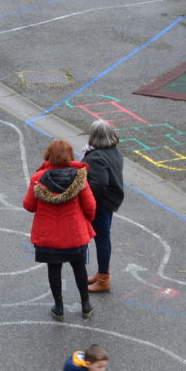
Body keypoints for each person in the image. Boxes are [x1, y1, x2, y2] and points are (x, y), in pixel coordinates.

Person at [24, 139, 96, 321]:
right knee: (79, 266)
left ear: (49, 155)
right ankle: (86, 305)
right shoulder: (79, 178)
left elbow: (29, 206)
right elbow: (90, 206)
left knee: (54, 268)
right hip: (75, 234)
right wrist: (85, 221)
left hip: (49, 236)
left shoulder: (38, 178)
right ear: (70, 155)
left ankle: (59, 307)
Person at [82, 120, 125, 294]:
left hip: (102, 203)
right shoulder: (114, 151)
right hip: (112, 200)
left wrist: (86, 198)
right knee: (103, 238)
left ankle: (103, 280)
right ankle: (102, 272)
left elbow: (99, 183)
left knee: (101, 239)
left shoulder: (96, 157)